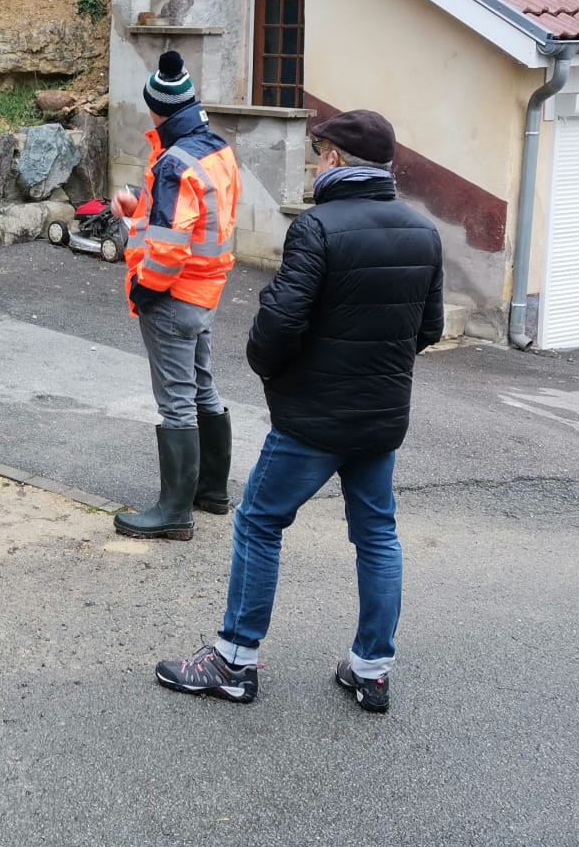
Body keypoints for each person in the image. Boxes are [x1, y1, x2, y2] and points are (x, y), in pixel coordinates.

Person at [155, 108, 443, 714]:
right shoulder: (423, 232)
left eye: (319, 154)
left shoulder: (317, 228)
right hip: (379, 417)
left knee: (259, 521)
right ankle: (372, 669)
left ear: (335, 160)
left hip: (313, 417)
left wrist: (270, 365)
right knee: (377, 535)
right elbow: (429, 328)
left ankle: (234, 661)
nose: (314, 164)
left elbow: (279, 325)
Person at [110, 51, 241, 541]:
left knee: (176, 402)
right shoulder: (216, 151)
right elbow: (196, 221)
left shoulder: (172, 162)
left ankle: (174, 512)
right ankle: (212, 491)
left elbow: (168, 245)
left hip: (173, 296)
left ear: (156, 109)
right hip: (205, 292)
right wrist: (135, 212)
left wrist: (144, 290)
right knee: (202, 387)